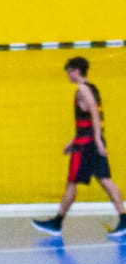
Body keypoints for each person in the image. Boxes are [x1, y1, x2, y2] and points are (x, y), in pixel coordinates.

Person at [33, 56, 126, 237]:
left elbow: (93, 112)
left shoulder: (82, 89)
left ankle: (57, 222)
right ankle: (124, 218)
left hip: (86, 147)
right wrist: (74, 140)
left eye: (68, 70)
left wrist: (96, 139)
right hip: (88, 141)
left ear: (76, 71)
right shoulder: (92, 87)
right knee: (105, 180)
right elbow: (88, 120)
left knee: (71, 183)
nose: (67, 74)